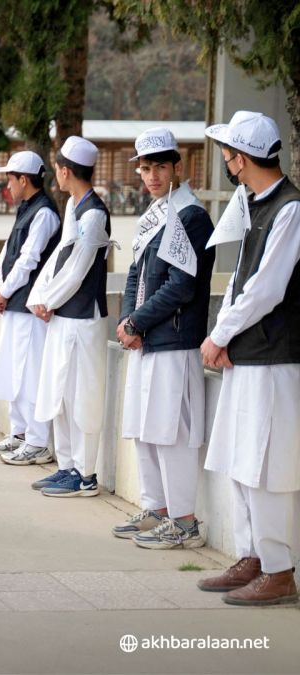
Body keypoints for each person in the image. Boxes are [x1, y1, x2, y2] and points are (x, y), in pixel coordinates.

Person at [199, 111, 300, 605]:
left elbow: (266, 290)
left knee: (267, 464)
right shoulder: (253, 200)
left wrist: (218, 335)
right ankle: (253, 557)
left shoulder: (291, 209)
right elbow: (241, 280)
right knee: (242, 460)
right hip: (247, 354)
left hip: (274, 359)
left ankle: (280, 571)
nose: (223, 159)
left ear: (240, 158)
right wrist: (225, 337)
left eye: (226, 151)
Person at [112, 127, 215, 549]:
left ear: (178, 167)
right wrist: (127, 321)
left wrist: (136, 323)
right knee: (144, 429)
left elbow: (181, 286)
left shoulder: (190, 215)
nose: (152, 175)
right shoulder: (155, 213)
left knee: (170, 433)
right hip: (146, 340)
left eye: (160, 167)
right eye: (146, 168)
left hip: (172, 343)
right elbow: (136, 273)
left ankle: (184, 520)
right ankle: (156, 507)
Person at [26, 136, 111, 498]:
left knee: (82, 397)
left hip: (83, 319)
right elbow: (60, 255)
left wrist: (49, 300)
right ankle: (67, 467)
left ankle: (86, 474)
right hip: (63, 316)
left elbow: (78, 270)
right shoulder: (75, 207)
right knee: (59, 392)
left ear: (65, 171)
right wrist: (40, 298)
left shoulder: (94, 214)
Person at [0, 151, 61, 463]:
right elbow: (9, 253)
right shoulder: (27, 209)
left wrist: (5, 290)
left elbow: (29, 259)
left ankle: (38, 441)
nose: (8, 186)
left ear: (24, 180)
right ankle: (19, 434)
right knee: (14, 372)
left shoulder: (44, 213)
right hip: (15, 303)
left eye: (10, 179)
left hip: (30, 305)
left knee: (30, 374)